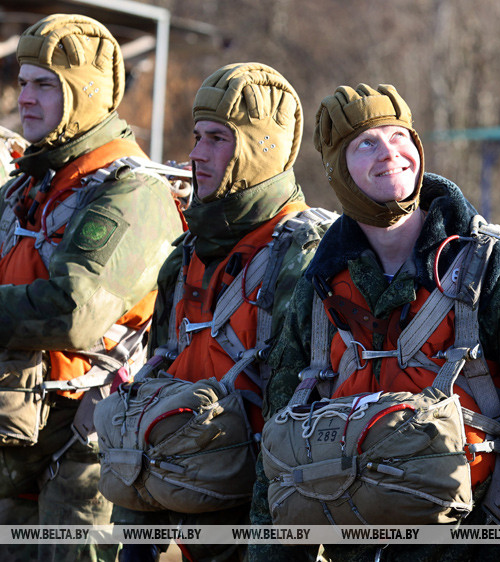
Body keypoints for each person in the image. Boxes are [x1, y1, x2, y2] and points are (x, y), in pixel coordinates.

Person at [250, 83, 500, 561]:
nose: (390, 153)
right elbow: (277, 458)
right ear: (336, 170)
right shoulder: (319, 288)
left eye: (399, 136)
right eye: (366, 142)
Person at [108, 62, 334, 562]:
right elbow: (156, 384)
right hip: (184, 511)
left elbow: (301, 425)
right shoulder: (187, 253)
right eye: (196, 137)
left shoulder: (304, 257)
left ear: (259, 150)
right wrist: (136, 530)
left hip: (260, 521)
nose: (195, 154)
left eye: (217, 139)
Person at [0, 13, 184, 562]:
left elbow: (74, 312)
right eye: (23, 81)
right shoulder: (29, 186)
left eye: (46, 84)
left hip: (83, 453)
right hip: (19, 440)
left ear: (86, 94)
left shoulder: (133, 194)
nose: (25, 98)